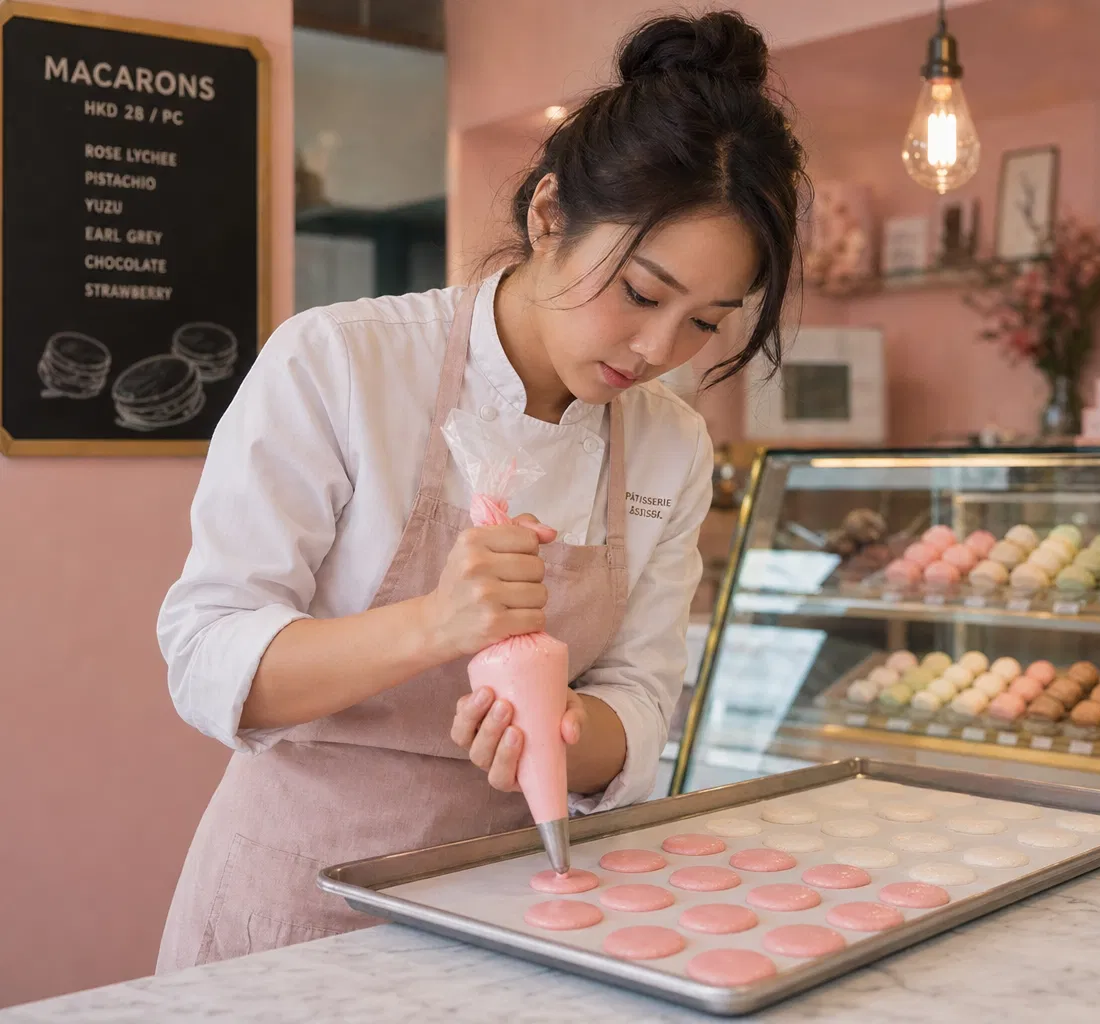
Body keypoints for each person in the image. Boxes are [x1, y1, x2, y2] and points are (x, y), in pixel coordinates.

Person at [155, 10, 806, 970]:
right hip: (297, 904)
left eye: (705, 323)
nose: (657, 353)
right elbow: (206, 654)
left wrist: (568, 733)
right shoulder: (342, 362)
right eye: (640, 293)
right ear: (548, 216)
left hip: (525, 904)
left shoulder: (669, 443)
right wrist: (435, 623)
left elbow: (640, 694)